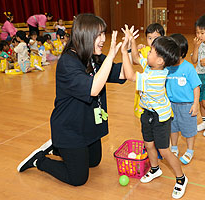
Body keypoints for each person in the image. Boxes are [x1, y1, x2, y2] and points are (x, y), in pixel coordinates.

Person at [17, 13, 126, 187]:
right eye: (99, 35)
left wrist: (128, 50)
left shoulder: (93, 56)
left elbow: (123, 73)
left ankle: (58, 148)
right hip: (69, 128)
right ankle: (40, 160)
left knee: (94, 161)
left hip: (87, 124)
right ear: (84, 35)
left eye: (104, 34)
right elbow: (93, 89)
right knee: (78, 178)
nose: (103, 39)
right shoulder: (68, 63)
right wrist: (112, 55)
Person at [122, 25, 188, 199]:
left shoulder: (154, 77)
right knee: (148, 144)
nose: (147, 53)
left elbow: (130, 75)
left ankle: (181, 178)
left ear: (160, 60)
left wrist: (123, 52)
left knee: (164, 151)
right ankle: (155, 169)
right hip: (148, 113)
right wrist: (131, 41)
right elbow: (136, 58)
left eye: (151, 51)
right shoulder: (153, 67)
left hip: (160, 117)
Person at [166, 34, 201, 165]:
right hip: (171, 105)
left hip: (187, 105)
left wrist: (196, 103)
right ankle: (174, 147)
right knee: (172, 128)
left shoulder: (188, 68)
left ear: (182, 52)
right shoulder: (167, 67)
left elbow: (196, 87)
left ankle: (190, 150)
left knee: (189, 130)